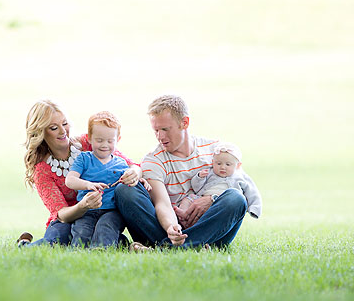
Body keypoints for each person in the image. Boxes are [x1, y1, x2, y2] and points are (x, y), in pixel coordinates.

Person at [115, 94, 249, 248]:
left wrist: (212, 198)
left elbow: (242, 185)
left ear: (184, 123)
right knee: (125, 190)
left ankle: (166, 249)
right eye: (156, 130)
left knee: (236, 198)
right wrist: (171, 227)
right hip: (165, 231)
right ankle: (187, 246)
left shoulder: (216, 150)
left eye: (165, 129)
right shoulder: (153, 160)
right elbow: (162, 204)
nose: (160, 136)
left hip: (210, 229)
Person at [18, 100, 143, 248]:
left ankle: (124, 245)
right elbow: (61, 213)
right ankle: (24, 245)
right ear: (41, 133)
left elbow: (129, 164)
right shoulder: (42, 170)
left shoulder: (87, 143)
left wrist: (134, 172)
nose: (63, 131)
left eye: (64, 124)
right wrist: (83, 206)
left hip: (101, 210)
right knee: (59, 239)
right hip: (70, 217)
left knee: (104, 232)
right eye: (54, 128)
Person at [64, 111, 132, 248]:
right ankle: (78, 254)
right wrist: (88, 185)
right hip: (87, 210)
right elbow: (70, 180)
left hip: (111, 211)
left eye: (110, 141)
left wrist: (142, 181)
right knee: (82, 231)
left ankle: (100, 251)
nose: (104, 145)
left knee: (106, 228)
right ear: (89, 138)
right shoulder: (84, 159)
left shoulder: (121, 164)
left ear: (117, 139)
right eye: (99, 140)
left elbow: (131, 179)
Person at [190, 142, 262, 220]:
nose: (223, 167)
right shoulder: (209, 173)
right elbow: (196, 188)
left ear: (238, 166)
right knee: (187, 199)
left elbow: (252, 191)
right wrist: (199, 177)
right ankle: (183, 214)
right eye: (219, 163)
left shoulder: (239, 177)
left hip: (223, 205)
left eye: (228, 164)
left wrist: (255, 208)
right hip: (202, 200)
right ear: (213, 162)